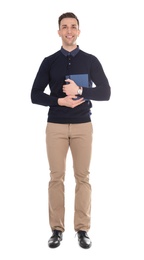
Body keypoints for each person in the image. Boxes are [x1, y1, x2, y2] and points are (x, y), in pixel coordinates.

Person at [31, 12, 111, 249]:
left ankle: (82, 229)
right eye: (64, 27)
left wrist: (81, 91)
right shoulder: (49, 61)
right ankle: (56, 229)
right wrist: (59, 101)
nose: (69, 30)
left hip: (83, 126)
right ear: (58, 32)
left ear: (78, 31)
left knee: (82, 177)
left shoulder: (90, 60)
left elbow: (106, 93)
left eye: (73, 27)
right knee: (56, 177)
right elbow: (35, 95)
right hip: (55, 125)